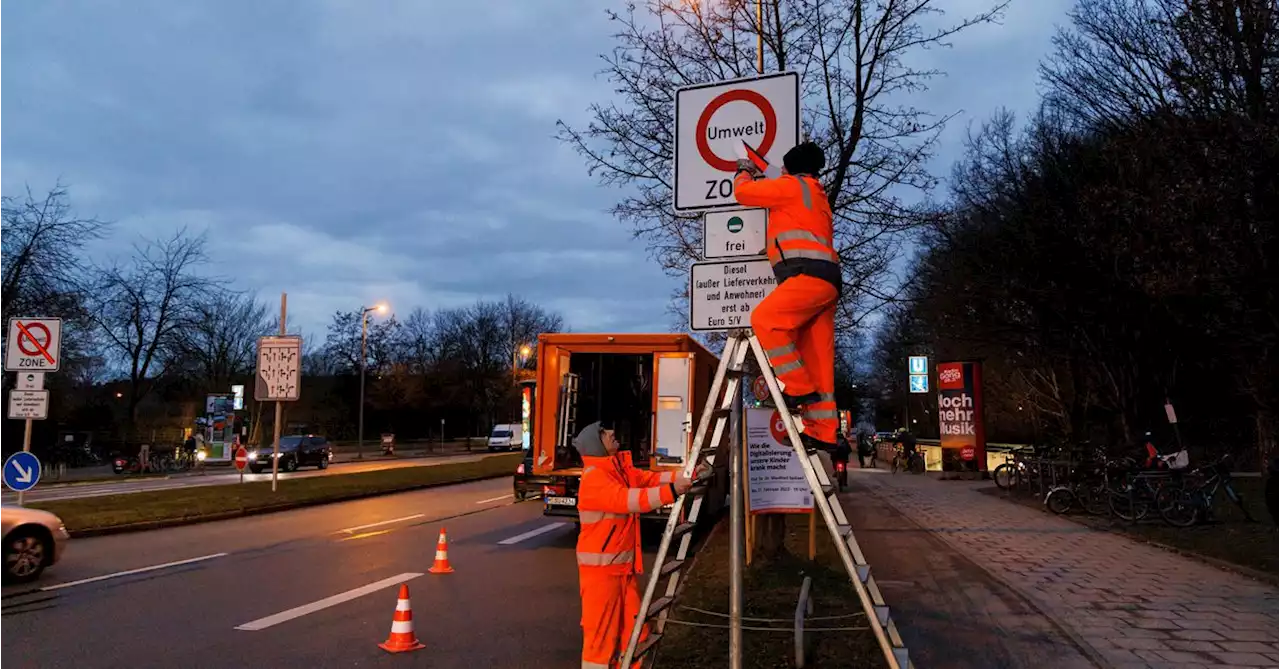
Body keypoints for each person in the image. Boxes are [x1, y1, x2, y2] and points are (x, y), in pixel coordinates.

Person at [735, 142, 842, 453]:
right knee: (818, 361)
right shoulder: (814, 193)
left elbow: (743, 194)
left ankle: (797, 387)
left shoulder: (793, 186)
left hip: (806, 276)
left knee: (765, 320)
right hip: (826, 281)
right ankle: (823, 434)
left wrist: (744, 169)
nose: (779, 170)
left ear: (792, 167)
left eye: (783, 166)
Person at [574, 420, 697, 669]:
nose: (611, 433)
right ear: (596, 445)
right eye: (604, 433)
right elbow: (629, 500)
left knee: (635, 634)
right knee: (600, 643)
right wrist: (672, 491)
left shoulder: (617, 470)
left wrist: (686, 475)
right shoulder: (594, 478)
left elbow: (650, 478)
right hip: (601, 576)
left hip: (620, 572)